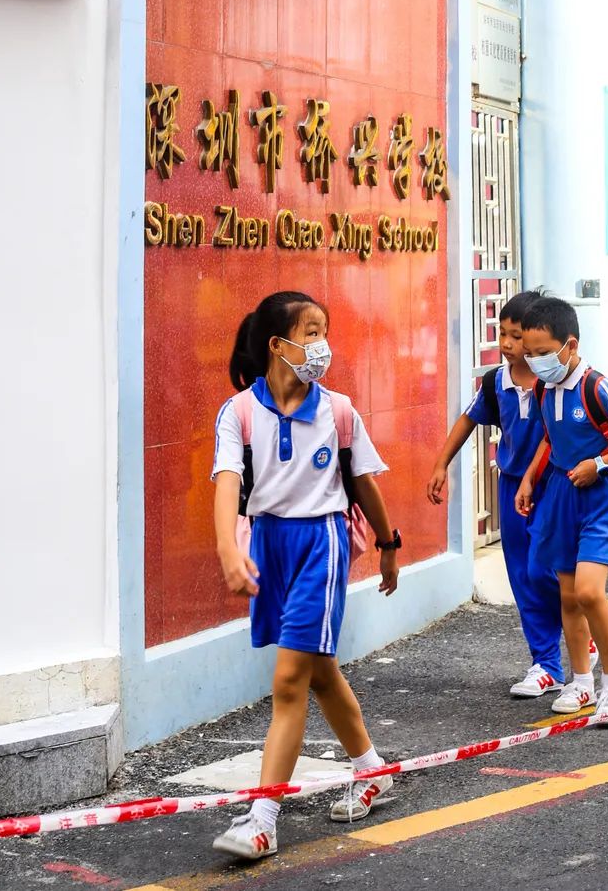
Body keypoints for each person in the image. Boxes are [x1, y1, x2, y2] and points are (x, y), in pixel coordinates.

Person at [210, 291, 400, 861]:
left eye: (324, 331)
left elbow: (364, 482)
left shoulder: (338, 410)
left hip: (322, 541)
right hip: (269, 543)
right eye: (310, 332)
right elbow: (226, 482)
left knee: (289, 680)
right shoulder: (239, 411)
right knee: (318, 672)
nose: (322, 345)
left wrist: (389, 546)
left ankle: (263, 818)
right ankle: (371, 769)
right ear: (277, 344)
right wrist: (228, 550)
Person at [428, 291, 588, 698]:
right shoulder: (495, 381)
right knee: (522, 576)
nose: (507, 344)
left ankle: (580, 636)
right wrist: (440, 463)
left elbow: (554, 437)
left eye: (516, 337)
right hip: (512, 488)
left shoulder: (555, 382)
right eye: (502, 333)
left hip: (553, 487)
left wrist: (535, 478)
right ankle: (546, 663)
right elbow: (468, 419)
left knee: (546, 572)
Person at [514, 296, 608, 725]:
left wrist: (600, 464)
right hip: (560, 492)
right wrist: (528, 480)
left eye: (544, 353)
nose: (536, 361)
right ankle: (581, 682)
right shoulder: (543, 387)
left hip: (599, 496)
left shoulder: (596, 385)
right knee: (567, 596)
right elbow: (549, 438)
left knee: (590, 593)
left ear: (570, 345)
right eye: (530, 354)